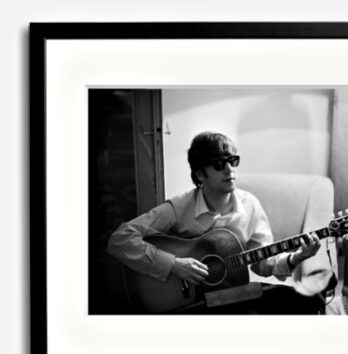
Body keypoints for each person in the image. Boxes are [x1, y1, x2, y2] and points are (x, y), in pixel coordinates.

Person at [107, 131, 322, 313]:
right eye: (219, 164)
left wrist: (296, 257)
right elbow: (120, 239)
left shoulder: (250, 205)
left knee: (309, 300)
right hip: (190, 303)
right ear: (200, 174)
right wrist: (174, 264)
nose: (229, 169)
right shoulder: (179, 208)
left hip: (233, 295)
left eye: (233, 161)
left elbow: (263, 264)